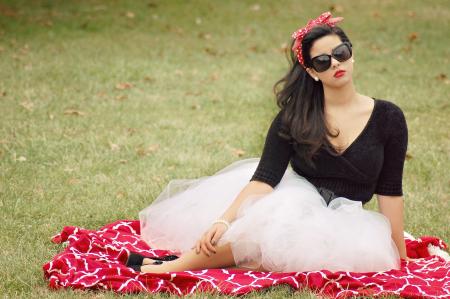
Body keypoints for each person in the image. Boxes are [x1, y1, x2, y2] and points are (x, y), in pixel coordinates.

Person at [128, 11, 411, 274]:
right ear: (312, 72)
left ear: (352, 55)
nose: (335, 63)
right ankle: (167, 270)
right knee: (275, 230)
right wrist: (224, 220)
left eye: (340, 53)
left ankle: (171, 263)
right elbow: (264, 179)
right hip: (296, 204)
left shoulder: (388, 117)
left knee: (304, 252)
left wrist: (400, 253)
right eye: (322, 61)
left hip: (347, 220)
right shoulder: (295, 117)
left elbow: (389, 190)